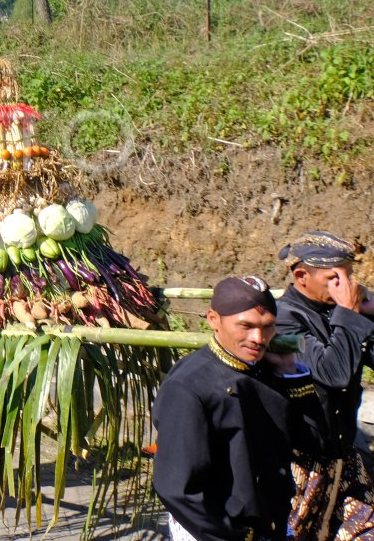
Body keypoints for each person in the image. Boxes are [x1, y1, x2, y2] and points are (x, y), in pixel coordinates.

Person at [153, 276, 325, 541]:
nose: (258, 338)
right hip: (218, 532)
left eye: (267, 327)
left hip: (271, 523)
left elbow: (316, 443)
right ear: (213, 320)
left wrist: (291, 372)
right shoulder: (188, 386)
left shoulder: (268, 371)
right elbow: (177, 489)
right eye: (245, 326)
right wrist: (234, 536)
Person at [274, 232, 374, 539]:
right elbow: (334, 373)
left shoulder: (339, 312)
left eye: (349, 277)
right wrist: (348, 314)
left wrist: (368, 314)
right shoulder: (282, 322)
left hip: (343, 454)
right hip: (301, 466)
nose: (346, 287)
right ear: (301, 276)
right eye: (334, 278)